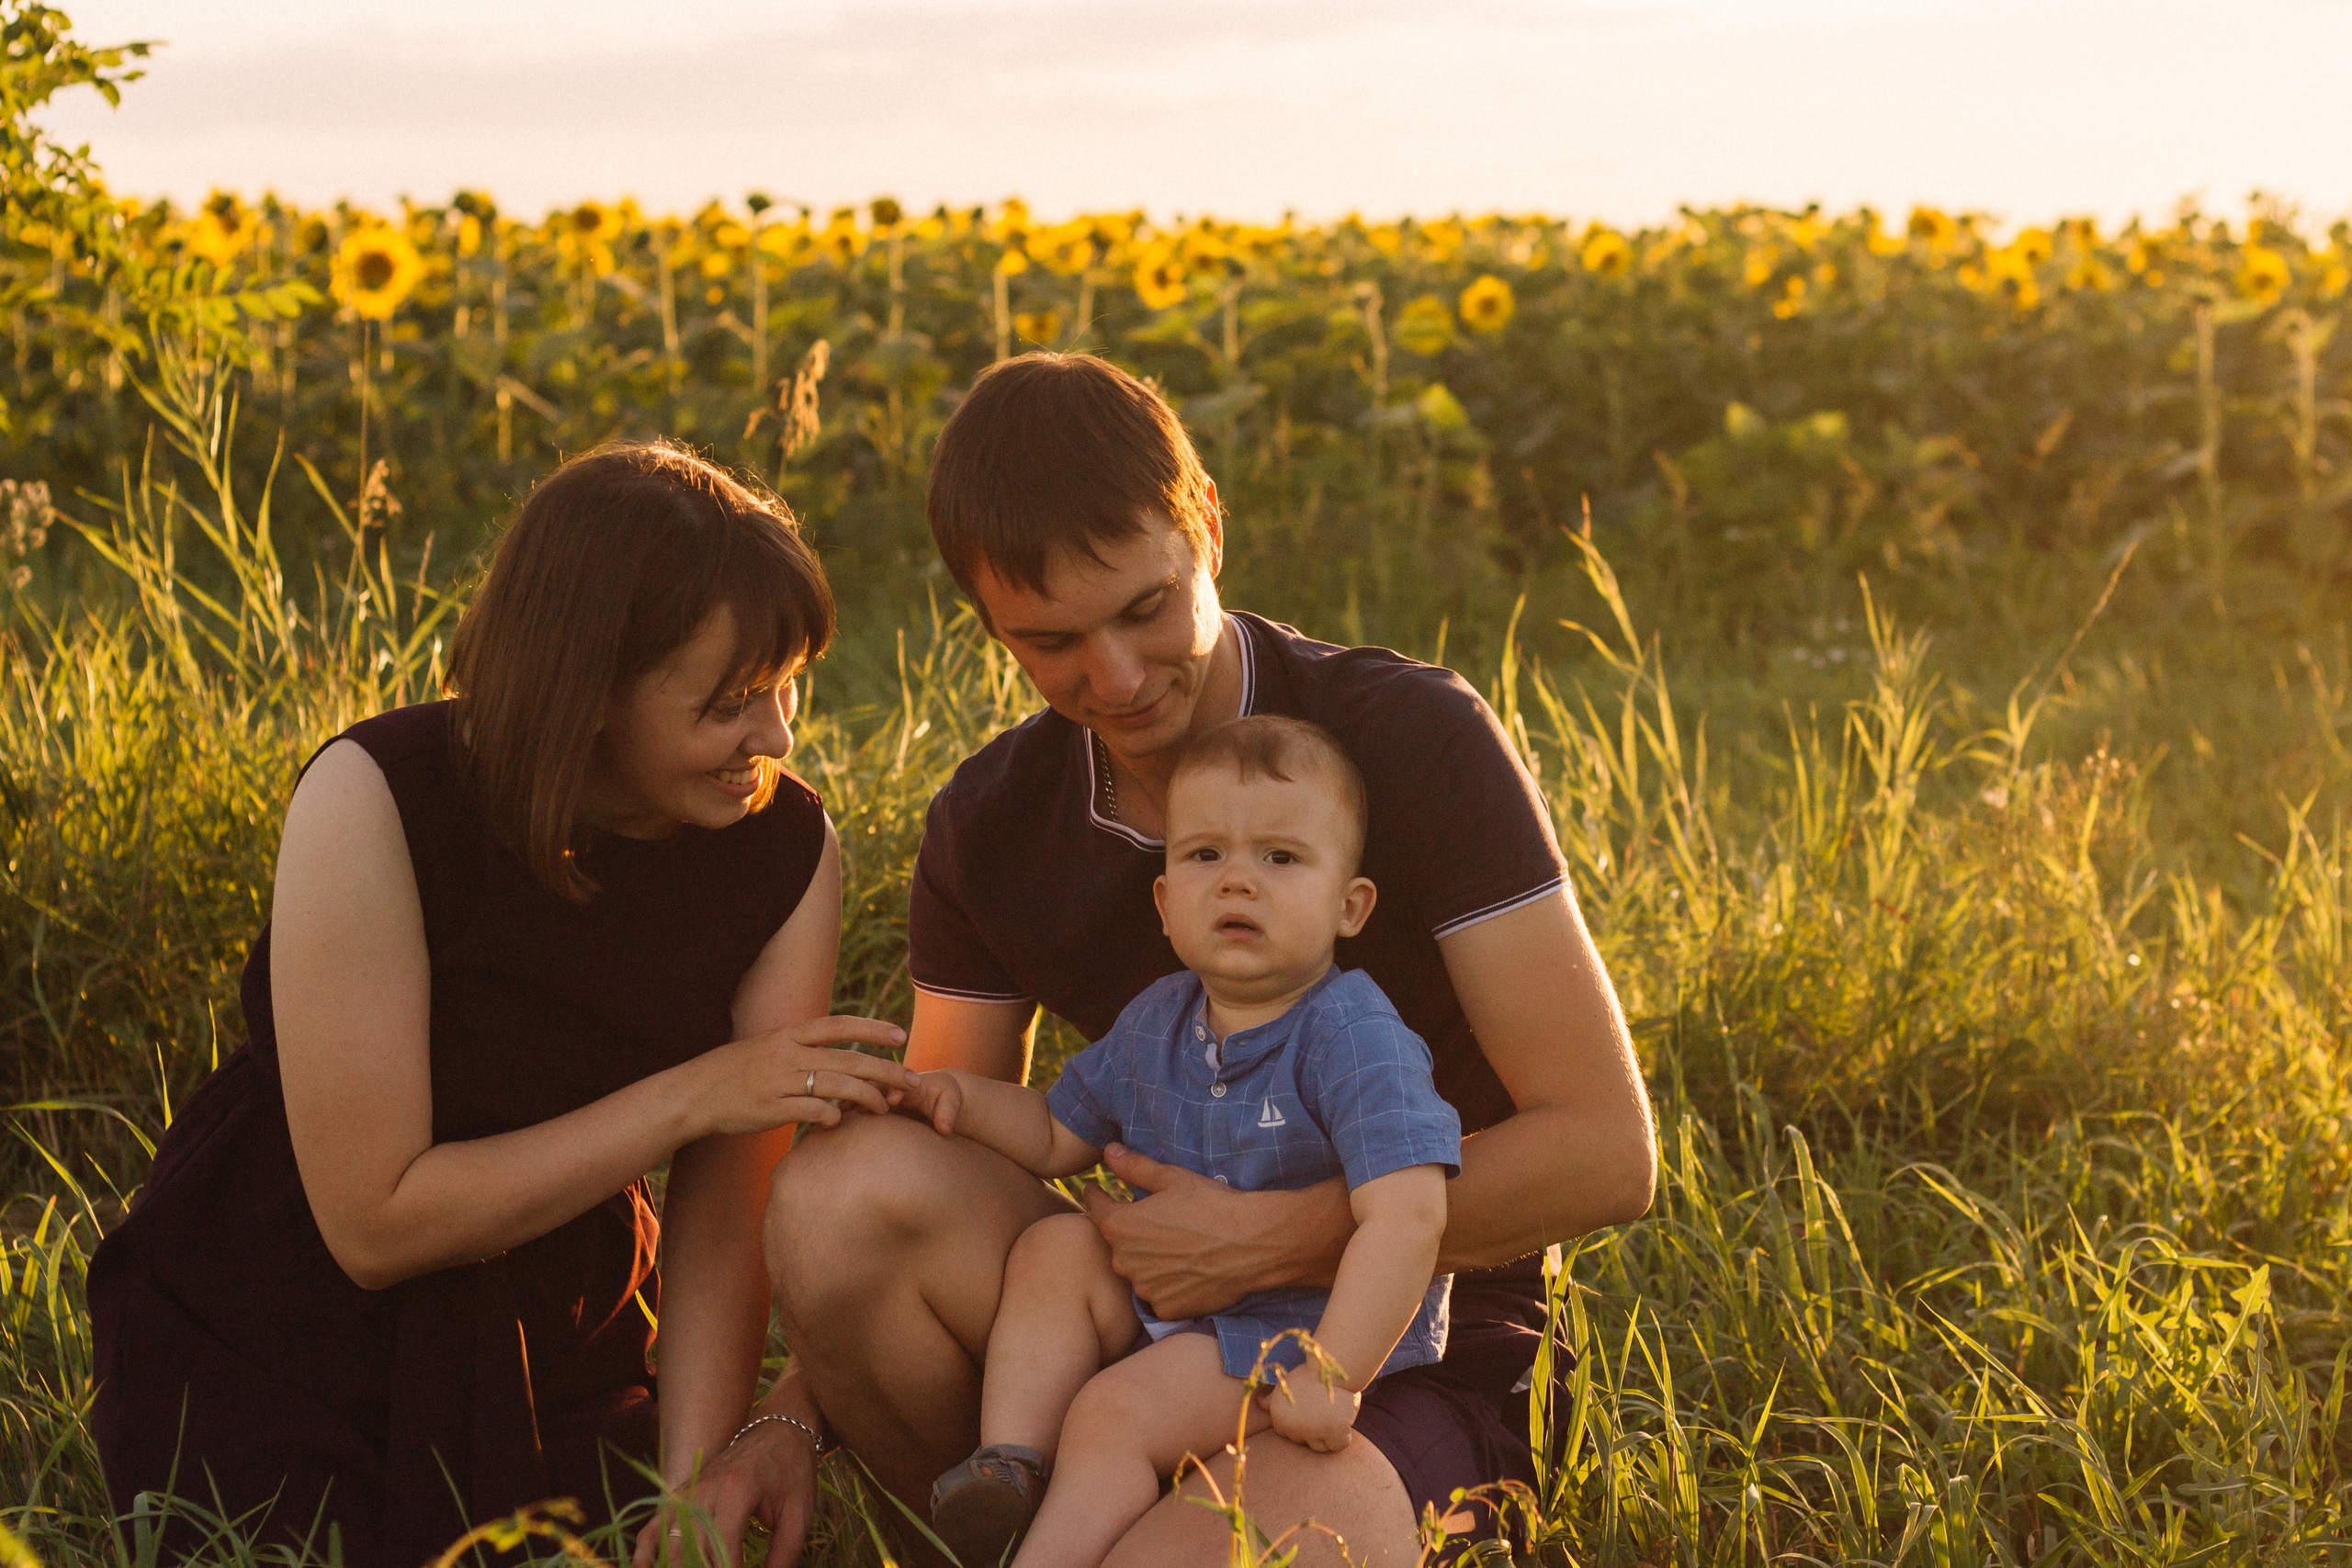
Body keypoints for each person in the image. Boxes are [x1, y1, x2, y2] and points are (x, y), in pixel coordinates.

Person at [681, 351, 1658, 1566]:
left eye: (1146, 607)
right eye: (1052, 642)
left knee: (1239, 1540)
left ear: (1204, 524)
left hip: (1411, 1335)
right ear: (988, 624)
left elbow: (1609, 1153)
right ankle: (1009, 1522)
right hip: (1153, 1318)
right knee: (845, 1188)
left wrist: (1277, 1238)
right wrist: (786, 1410)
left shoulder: (1411, 739)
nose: (1121, 677)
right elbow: (942, 1152)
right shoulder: (993, 824)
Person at [85, 442, 916, 1567]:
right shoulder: (378, 797)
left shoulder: (782, 850)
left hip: (559, 1318)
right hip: (279, 1310)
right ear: (588, 692)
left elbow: (724, 1217)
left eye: (786, 685)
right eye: (730, 704)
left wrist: (688, 1487)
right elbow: (374, 1225)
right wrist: (691, 1097)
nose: (775, 738)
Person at [909, 716, 1461, 1567]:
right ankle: (1010, 1464)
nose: (1238, 880)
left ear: (1349, 906)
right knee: (1056, 1247)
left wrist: (1331, 1371)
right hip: (1186, 1301)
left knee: (1114, 1412)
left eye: (1280, 858)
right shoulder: (1159, 1016)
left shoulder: (1353, 1033)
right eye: (1205, 855)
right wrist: (958, 1096)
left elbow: (1409, 1217)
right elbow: (1059, 1131)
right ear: (1165, 900)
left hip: (1303, 1324)